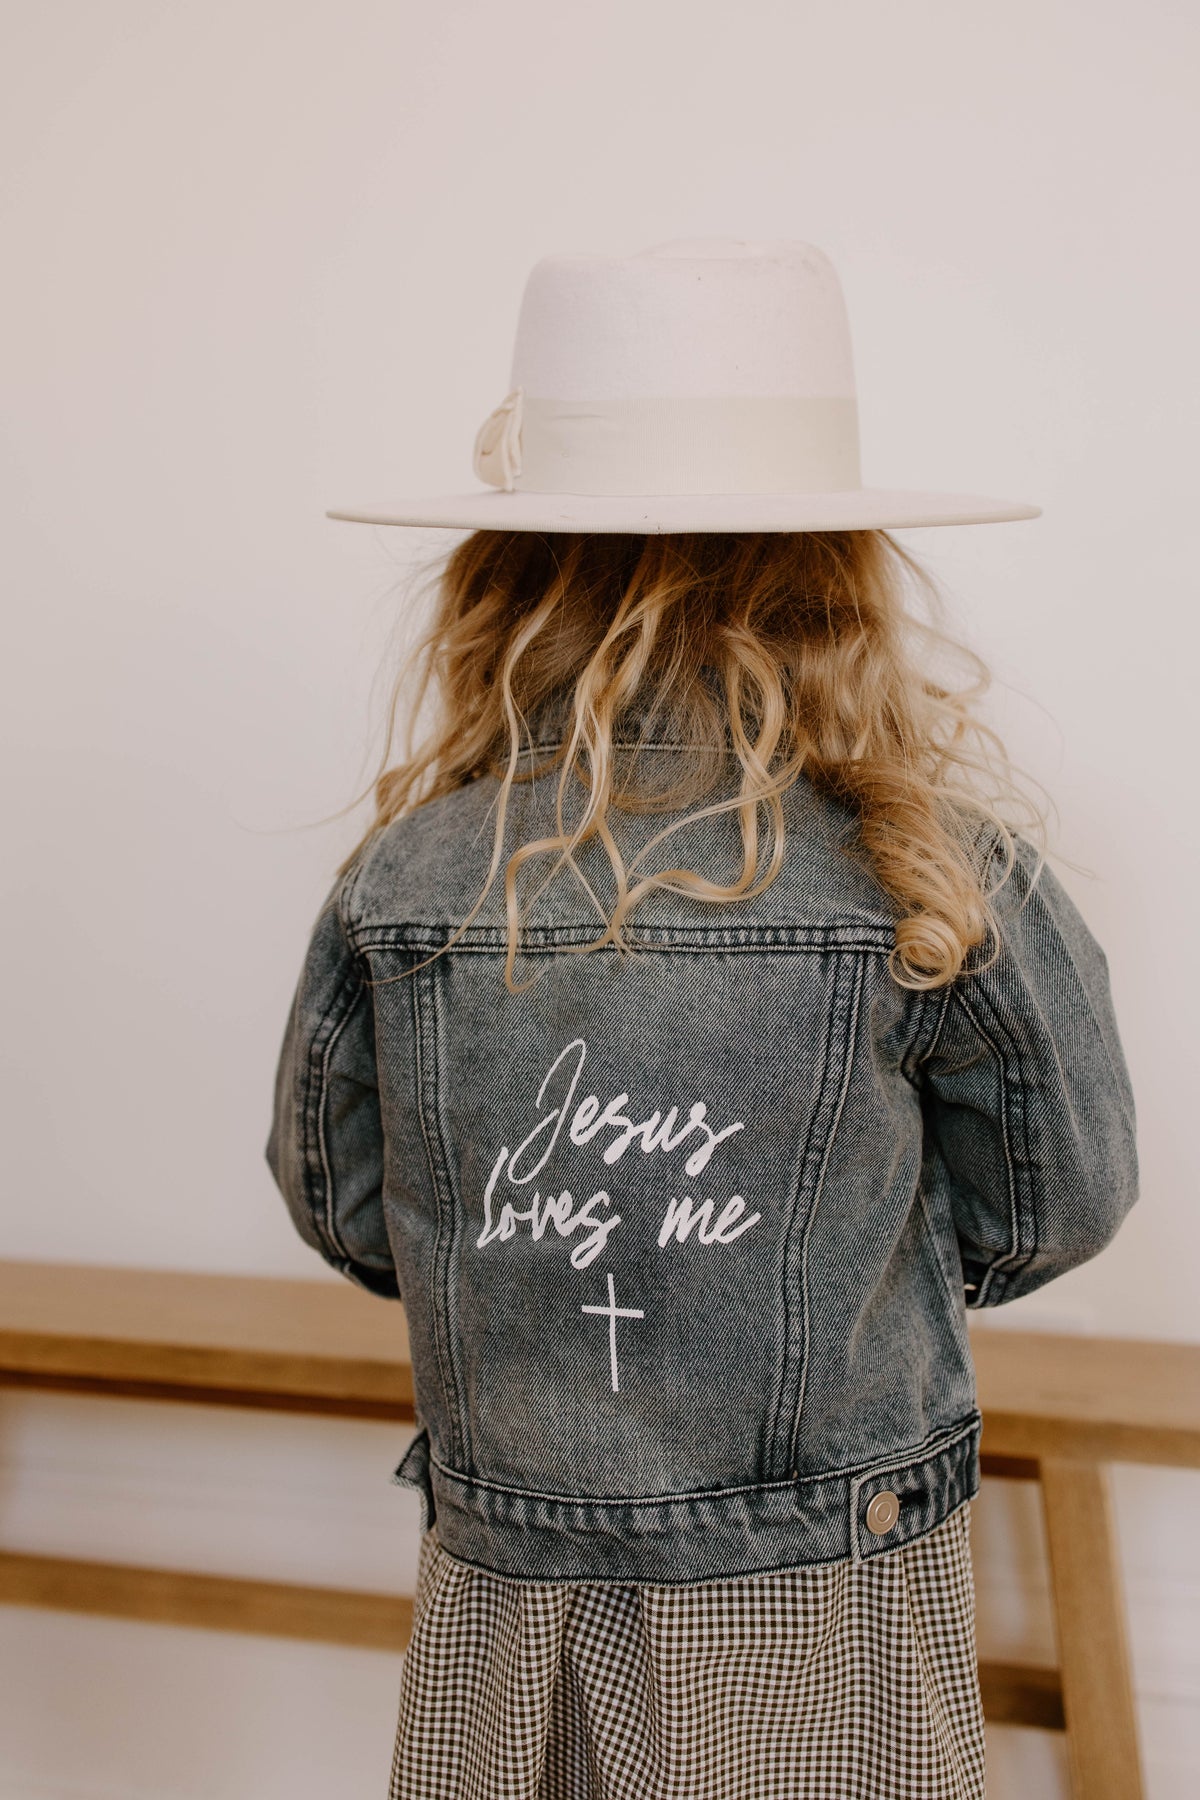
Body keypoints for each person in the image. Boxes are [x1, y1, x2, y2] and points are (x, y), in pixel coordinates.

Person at [265, 241, 1139, 1800]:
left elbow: (350, 1208)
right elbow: (1059, 1198)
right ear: (838, 573)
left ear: (505, 580)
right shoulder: (927, 867)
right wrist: (851, 1261)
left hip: (510, 1590)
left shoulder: (408, 876)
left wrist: (542, 1254)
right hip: (832, 1588)